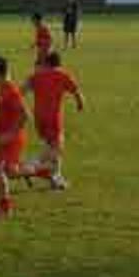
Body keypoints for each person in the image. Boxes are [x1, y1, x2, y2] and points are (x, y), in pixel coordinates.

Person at [23, 52, 84, 190]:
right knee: (57, 148)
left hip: (39, 118)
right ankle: (31, 165)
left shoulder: (36, 75)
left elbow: (21, 90)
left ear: (47, 63)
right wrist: (80, 103)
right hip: (53, 118)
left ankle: (56, 180)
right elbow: (76, 91)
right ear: (59, 64)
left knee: (50, 146)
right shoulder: (62, 75)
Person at [0, 56, 34, 218]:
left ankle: (4, 208)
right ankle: (37, 170)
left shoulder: (11, 91)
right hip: (6, 137)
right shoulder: (3, 89)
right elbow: (9, 114)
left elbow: (25, 115)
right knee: (9, 172)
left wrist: (10, 134)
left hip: (12, 139)